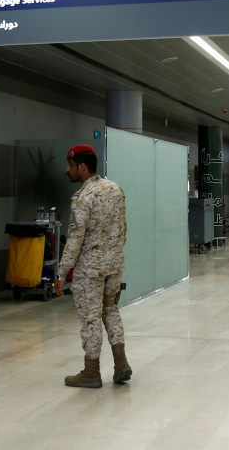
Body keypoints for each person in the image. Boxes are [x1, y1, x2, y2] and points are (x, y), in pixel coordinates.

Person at [53, 145, 130, 388]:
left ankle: (91, 372)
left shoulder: (82, 198)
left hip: (91, 269)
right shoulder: (115, 189)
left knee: (90, 318)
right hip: (115, 264)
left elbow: (75, 239)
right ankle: (121, 363)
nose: (68, 170)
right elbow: (123, 228)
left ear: (82, 167)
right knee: (111, 311)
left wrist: (61, 273)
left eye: (71, 166)